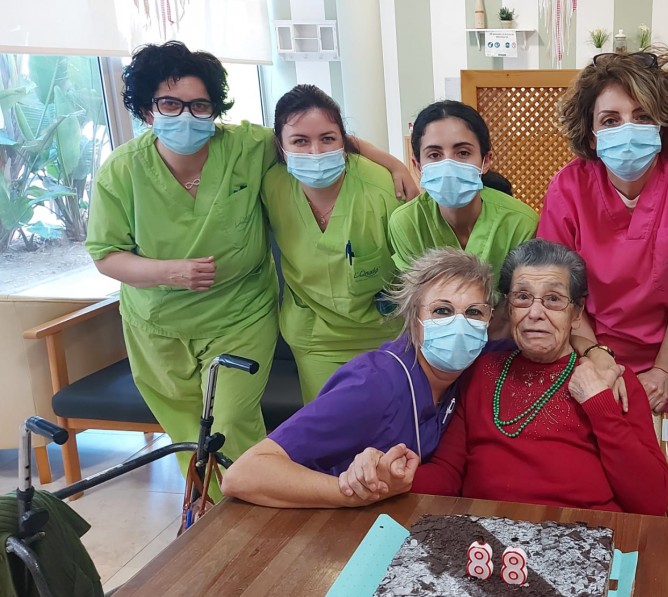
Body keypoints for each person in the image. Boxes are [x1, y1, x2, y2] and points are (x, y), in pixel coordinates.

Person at [85, 42, 420, 484]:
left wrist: (392, 161)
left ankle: (253, 502)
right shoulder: (121, 171)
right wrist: (169, 272)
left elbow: (315, 132)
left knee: (229, 423)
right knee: (185, 431)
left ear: (214, 108)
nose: (186, 116)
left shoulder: (245, 147)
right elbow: (105, 254)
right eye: (170, 104)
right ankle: (209, 508)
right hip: (157, 323)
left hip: (240, 315)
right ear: (148, 110)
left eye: (199, 105)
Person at [537, 47, 668, 494]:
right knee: (590, 467)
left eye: (642, 116)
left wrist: (664, 373)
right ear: (592, 135)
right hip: (592, 345)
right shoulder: (569, 186)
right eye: (610, 120)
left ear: (662, 124)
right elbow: (561, 294)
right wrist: (596, 357)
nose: (627, 130)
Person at [345, 239, 668, 516]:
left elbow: (652, 501)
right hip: (484, 540)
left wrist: (599, 405)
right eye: (522, 297)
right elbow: (448, 473)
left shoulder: (610, 380)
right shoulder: (481, 371)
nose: (535, 313)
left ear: (576, 313)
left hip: (582, 537)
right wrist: (393, 480)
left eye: (554, 299)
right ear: (509, 309)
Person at [221, 248, 493, 508]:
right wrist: (352, 493)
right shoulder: (374, 384)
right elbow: (244, 474)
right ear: (414, 320)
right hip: (318, 521)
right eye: (442, 311)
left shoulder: (463, 376)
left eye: (474, 312)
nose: (460, 326)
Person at [261, 85, 403, 403]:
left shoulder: (385, 188)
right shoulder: (272, 186)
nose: (316, 152)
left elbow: (419, 264)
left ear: (343, 141)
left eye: (328, 139)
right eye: (300, 141)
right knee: (328, 424)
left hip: (383, 333)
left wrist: (396, 165)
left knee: (387, 422)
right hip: (314, 337)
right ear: (281, 146)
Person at [388, 100, 538, 280]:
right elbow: (417, 293)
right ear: (418, 166)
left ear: (486, 161)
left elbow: (524, 292)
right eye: (434, 155)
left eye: (463, 153)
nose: (448, 165)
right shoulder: (407, 223)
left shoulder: (521, 223)